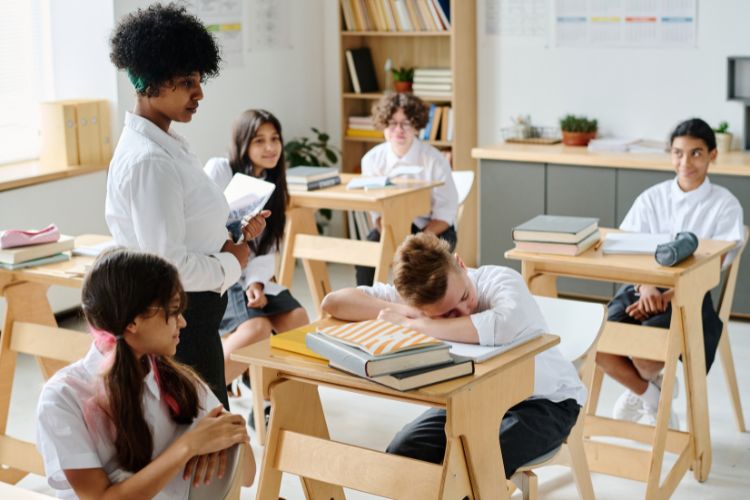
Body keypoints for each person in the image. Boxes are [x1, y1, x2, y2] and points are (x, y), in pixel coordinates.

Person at [106, 3, 268, 409]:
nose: (199, 93)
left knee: (210, 440)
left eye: (199, 79)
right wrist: (234, 261)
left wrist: (228, 234)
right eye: (185, 82)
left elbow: (183, 228)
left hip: (198, 318)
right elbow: (170, 262)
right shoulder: (150, 160)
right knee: (210, 449)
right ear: (148, 84)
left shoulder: (165, 144)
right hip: (184, 321)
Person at [322, 233, 585, 478]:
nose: (464, 310)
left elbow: (503, 325)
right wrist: (398, 309)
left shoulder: (499, 280)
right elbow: (334, 303)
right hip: (470, 402)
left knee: (475, 466)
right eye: (447, 314)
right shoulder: (418, 297)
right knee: (403, 455)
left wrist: (414, 323)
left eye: (464, 296)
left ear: (460, 264)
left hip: (545, 403)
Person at [36, 248, 256, 498]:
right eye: (172, 311)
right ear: (133, 322)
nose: (182, 322)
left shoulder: (182, 383)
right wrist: (189, 446)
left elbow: (247, 474)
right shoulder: (62, 397)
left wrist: (234, 434)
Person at [597, 118, 745, 426]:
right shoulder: (653, 198)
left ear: (712, 155)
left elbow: (711, 270)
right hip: (642, 289)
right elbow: (627, 248)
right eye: (678, 153)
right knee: (597, 336)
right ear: (670, 154)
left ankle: (646, 392)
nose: (685, 162)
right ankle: (650, 396)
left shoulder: (725, 205)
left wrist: (667, 296)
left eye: (696, 153)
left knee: (645, 349)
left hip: (691, 296)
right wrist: (647, 288)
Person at [204, 109, 309, 386]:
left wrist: (257, 283)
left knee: (298, 319)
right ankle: (204, 397)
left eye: (275, 139)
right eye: (259, 141)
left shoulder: (274, 184)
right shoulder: (220, 169)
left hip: (250, 274)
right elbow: (200, 225)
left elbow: (268, 246)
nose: (270, 147)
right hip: (220, 274)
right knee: (257, 329)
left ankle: (270, 406)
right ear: (243, 142)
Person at [355, 93, 459, 286]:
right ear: (384, 125)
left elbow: (445, 213)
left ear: (417, 125)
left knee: (421, 263)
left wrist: (416, 240)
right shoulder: (371, 160)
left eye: (406, 123)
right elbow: (375, 211)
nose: (399, 130)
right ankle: (364, 302)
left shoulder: (435, 160)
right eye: (392, 123)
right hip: (389, 226)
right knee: (367, 254)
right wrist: (391, 235)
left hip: (433, 228)